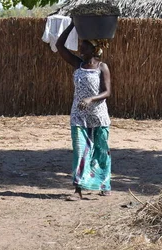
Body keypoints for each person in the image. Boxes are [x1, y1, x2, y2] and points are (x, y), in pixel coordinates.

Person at [56, 23, 112, 199]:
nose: (80, 48)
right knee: (80, 150)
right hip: (79, 115)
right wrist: (73, 25)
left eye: (84, 46)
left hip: (98, 116)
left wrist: (91, 99)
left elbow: (107, 92)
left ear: (93, 49)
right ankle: (78, 189)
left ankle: (104, 184)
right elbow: (59, 46)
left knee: (101, 150)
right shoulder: (77, 64)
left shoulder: (102, 67)